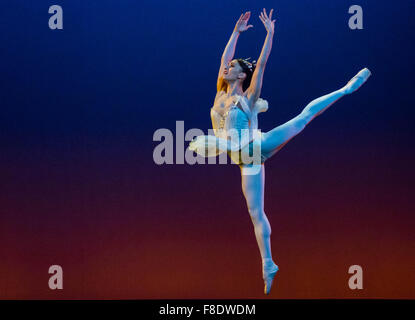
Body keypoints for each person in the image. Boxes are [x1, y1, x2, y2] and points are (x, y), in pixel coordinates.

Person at [189, 9, 371, 294]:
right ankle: (268, 264)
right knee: (255, 212)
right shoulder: (220, 92)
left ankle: (346, 89)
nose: (226, 67)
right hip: (244, 163)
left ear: (241, 74)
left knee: (302, 118)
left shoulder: (248, 96)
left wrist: (269, 35)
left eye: (233, 66)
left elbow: (260, 66)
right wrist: (235, 33)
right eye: (227, 66)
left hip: (254, 147)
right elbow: (223, 60)